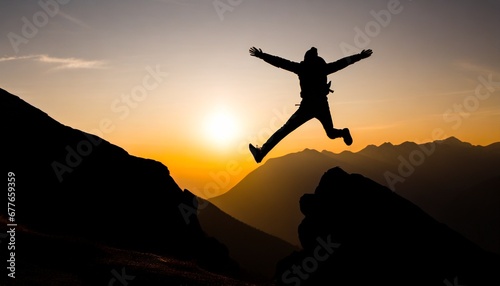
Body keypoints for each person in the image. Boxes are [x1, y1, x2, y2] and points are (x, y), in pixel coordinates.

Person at [248, 46, 373, 163]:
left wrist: (262, 55)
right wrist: (360, 56)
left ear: (306, 59)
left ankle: (261, 153)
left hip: (307, 107)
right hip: (321, 105)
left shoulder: (302, 68)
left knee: (284, 130)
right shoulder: (323, 68)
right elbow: (343, 63)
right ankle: (343, 133)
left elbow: (281, 63)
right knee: (330, 133)